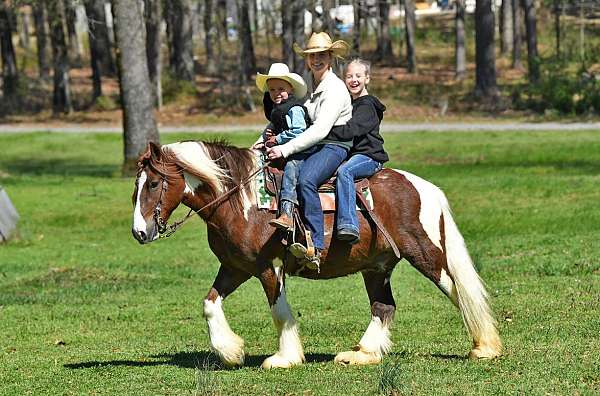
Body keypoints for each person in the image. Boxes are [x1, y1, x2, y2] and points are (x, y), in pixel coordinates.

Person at [266, 32, 353, 269]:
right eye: (312, 55)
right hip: (314, 145)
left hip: (334, 145)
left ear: (331, 57)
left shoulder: (334, 89)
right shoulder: (313, 86)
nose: (317, 59)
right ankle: (287, 223)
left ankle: (316, 245)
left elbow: (320, 130)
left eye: (322, 55)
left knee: (306, 180)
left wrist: (284, 149)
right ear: (307, 59)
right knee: (288, 170)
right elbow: (299, 121)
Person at [332, 58, 389, 244]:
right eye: (349, 76)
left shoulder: (367, 105)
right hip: (355, 154)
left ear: (367, 79)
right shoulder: (349, 104)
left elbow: (351, 130)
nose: (353, 80)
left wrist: (326, 130)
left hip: (369, 156)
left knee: (345, 172)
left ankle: (348, 224)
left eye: (358, 75)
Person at [252, 63, 312, 230]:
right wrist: (259, 142)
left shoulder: (295, 109)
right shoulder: (277, 109)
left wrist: (277, 139)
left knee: (292, 169)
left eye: (280, 88)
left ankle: (287, 211)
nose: (276, 93)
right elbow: (270, 127)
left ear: (290, 89)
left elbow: (299, 131)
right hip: (282, 148)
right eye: (272, 90)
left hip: (301, 150)